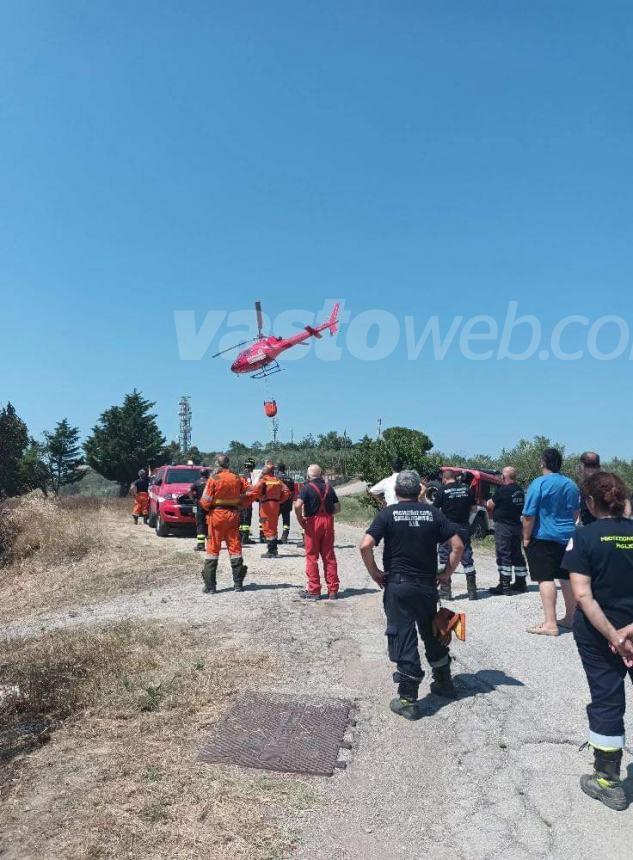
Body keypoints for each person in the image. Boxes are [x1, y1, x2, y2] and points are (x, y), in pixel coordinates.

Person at [360, 470, 465, 718]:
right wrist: (446, 573)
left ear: (396, 491)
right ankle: (444, 682)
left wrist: (375, 573)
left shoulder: (387, 514)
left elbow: (365, 545)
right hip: (427, 586)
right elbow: (458, 545)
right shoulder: (433, 513)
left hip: (399, 585)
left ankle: (408, 699)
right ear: (419, 490)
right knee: (432, 632)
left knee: (403, 635)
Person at [562, 472, 633, 811]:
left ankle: (608, 780)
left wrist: (614, 636)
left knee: (607, 699)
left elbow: (582, 595)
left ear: (589, 503)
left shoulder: (583, 538)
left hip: (598, 633)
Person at [522, 447, 580, 635]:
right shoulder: (571, 484)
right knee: (565, 577)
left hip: (543, 536)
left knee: (545, 578)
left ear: (543, 463)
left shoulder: (539, 483)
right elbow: (575, 512)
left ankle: (550, 623)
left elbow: (529, 515)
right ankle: (571, 618)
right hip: (568, 536)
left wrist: (526, 537)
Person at [199, 455, 250, 594]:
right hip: (233, 515)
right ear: (228, 464)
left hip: (216, 516)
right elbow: (250, 492)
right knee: (235, 548)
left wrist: (207, 508)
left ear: (217, 464)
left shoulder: (214, 479)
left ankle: (210, 587)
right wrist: (241, 505)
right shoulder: (237, 477)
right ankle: (238, 584)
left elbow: (205, 501)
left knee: (213, 550)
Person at [294, 464, 340, 600]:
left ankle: (314, 590)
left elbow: (297, 505)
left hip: (313, 523)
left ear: (308, 475)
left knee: (312, 556)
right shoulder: (329, 488)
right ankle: (333, 590)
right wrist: (328, 513)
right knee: (329, 556)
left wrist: (300, 519)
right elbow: (338, 508)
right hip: (328, 522)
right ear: (321, 474)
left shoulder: (306, 488)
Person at [433, 469, 478, 600]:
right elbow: (474, 510)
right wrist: (467, 523)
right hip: (463, 527)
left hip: (447, 529)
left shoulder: (442, 490)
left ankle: (445, 591)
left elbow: (435, 512)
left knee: (444, 557)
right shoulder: (467, 489)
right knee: (467, 557)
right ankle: (472, 592)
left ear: (444, 479)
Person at [487, 466, 528, 595]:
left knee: (503, 553)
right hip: (517, 526)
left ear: (504, 477)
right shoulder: (520, 490)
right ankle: (521, 582)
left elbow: (490, 504)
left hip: (503, 526)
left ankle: (504, 585)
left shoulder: (503, 490)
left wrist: (488, 500)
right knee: (517, 553)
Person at [250, 465, 291, 558]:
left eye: (264, 469)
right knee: (273, 525)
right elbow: (287, 492)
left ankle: (271, 550)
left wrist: (256, 498)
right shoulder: (277, 480)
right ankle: (274, 549)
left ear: (267, 471)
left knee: (266, 525)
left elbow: (255, 491)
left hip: (266, 506)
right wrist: (279, 500)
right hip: (275, 505)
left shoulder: (263, 480)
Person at [189, 467, 210, 551]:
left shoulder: (196, 483)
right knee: (210, 524)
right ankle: (212, 545)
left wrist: (193, 499)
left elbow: (189, 491)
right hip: (210, 506)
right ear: (208, 474)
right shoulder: (211, 482)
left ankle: (201, 545)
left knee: (200, 524)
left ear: (200, 474)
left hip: (199, 505)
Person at [578, 452, 601, 526]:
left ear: (581, 467)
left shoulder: (582, 488)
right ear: (599, 467)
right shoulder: (609, 485)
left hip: (589, 530)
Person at [275, 461, 295, 544]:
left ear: (278, 469)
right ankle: (284, 537)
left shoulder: (275, 478)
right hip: (287, 503)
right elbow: (293, 492)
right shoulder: (290, 479)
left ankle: (273, 537)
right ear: (285, 469)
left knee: (274, 520)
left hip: (277, 502)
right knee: (286, 520)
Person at [238, 458, 256, 544]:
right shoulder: (247, 475)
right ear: (251, 466)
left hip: (239, 500)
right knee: (246, 519)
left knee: (241, 518)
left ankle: (240, 537)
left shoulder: (240, 474)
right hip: (246, 500)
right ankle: (245, 538)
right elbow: (249, 488)